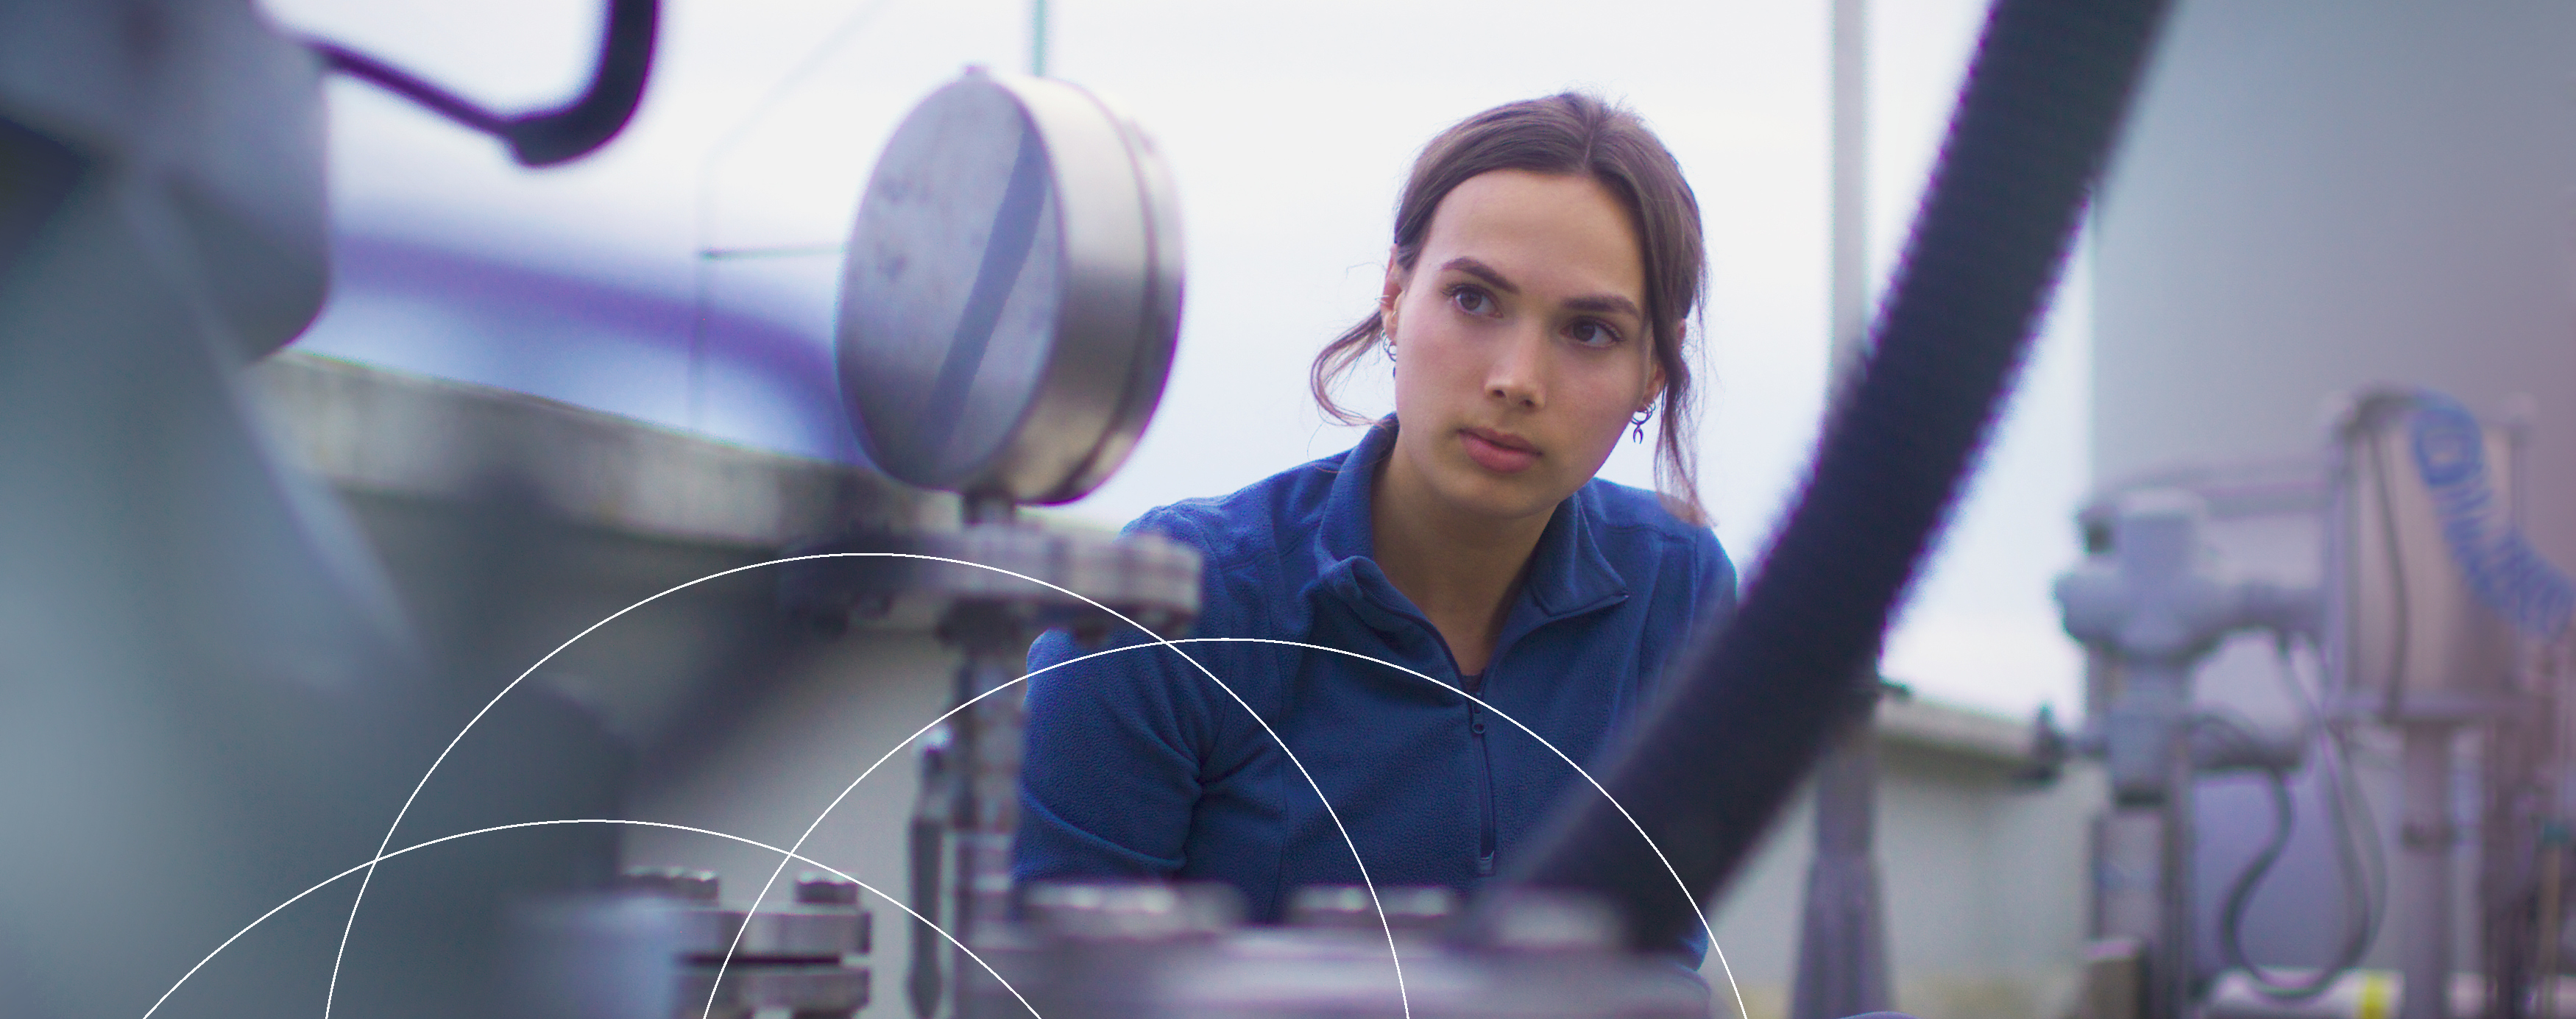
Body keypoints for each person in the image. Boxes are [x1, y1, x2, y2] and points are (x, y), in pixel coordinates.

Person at [1013, 92, 1737, 968]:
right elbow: (1050, 985)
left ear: (1653, 371)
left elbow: (1655, 967)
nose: (1516, 378)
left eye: (1588, 330)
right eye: (1474, 299)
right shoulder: (1165, 607)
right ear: (1394, 296)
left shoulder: (1677, 593)